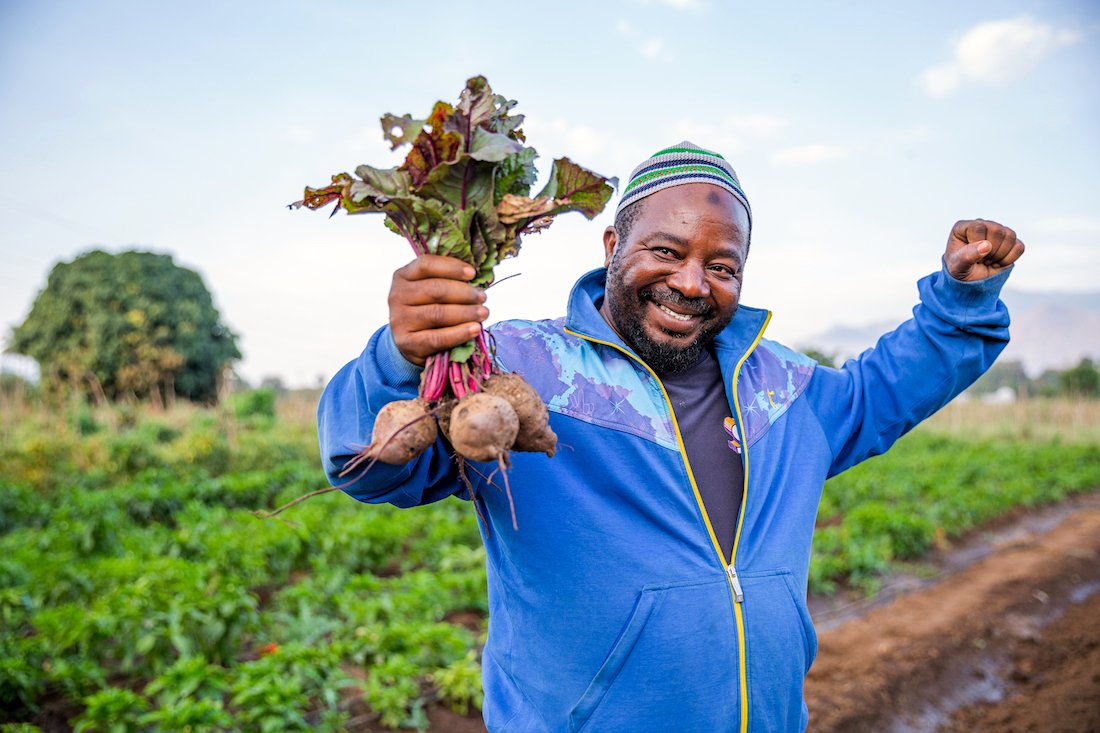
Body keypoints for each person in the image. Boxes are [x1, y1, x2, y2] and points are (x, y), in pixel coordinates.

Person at [317, 142, 1024, 733]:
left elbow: (884, 391)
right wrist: (399, 358)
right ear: (612, 244)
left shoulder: (783, 390)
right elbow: (370, 467)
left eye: (722, 266)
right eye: (666, 250)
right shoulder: (513, 369)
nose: (692, 283)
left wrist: (960, 303)